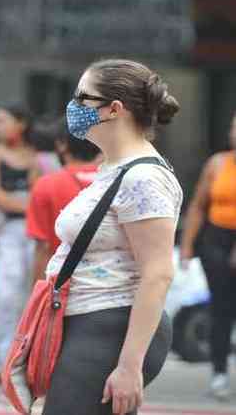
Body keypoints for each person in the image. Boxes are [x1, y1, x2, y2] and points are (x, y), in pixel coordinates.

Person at [41, 59, 183, 414]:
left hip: (109, 326)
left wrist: (129, 366)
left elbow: (158, 272)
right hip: (91, 323)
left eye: (82, 98)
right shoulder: (114, 168)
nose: (73, 107)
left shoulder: (143, 178)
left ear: (114, 109)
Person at [180, 110, 236, 400]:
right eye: (233, 127)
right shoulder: (217, 164)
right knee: (221, 308)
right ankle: (218, 373)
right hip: (216, 239)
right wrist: (187, 247)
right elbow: (198, 206)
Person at [0, 103, 36, 381]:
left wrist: (32, 210)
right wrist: (27, 207)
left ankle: (28, 358)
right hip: (4, 230)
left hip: (34, 230)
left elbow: (40, 188)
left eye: (3, 121)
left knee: (30, 294)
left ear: (21, 124)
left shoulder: (35, 155)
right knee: (4, 295)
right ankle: (4, 358)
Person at [26, 117, 101, 284]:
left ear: (61, 144)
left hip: (63, 287)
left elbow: (43, 249)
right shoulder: (119, 180)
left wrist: (38, 298)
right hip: (113, 288)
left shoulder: (46, 185)